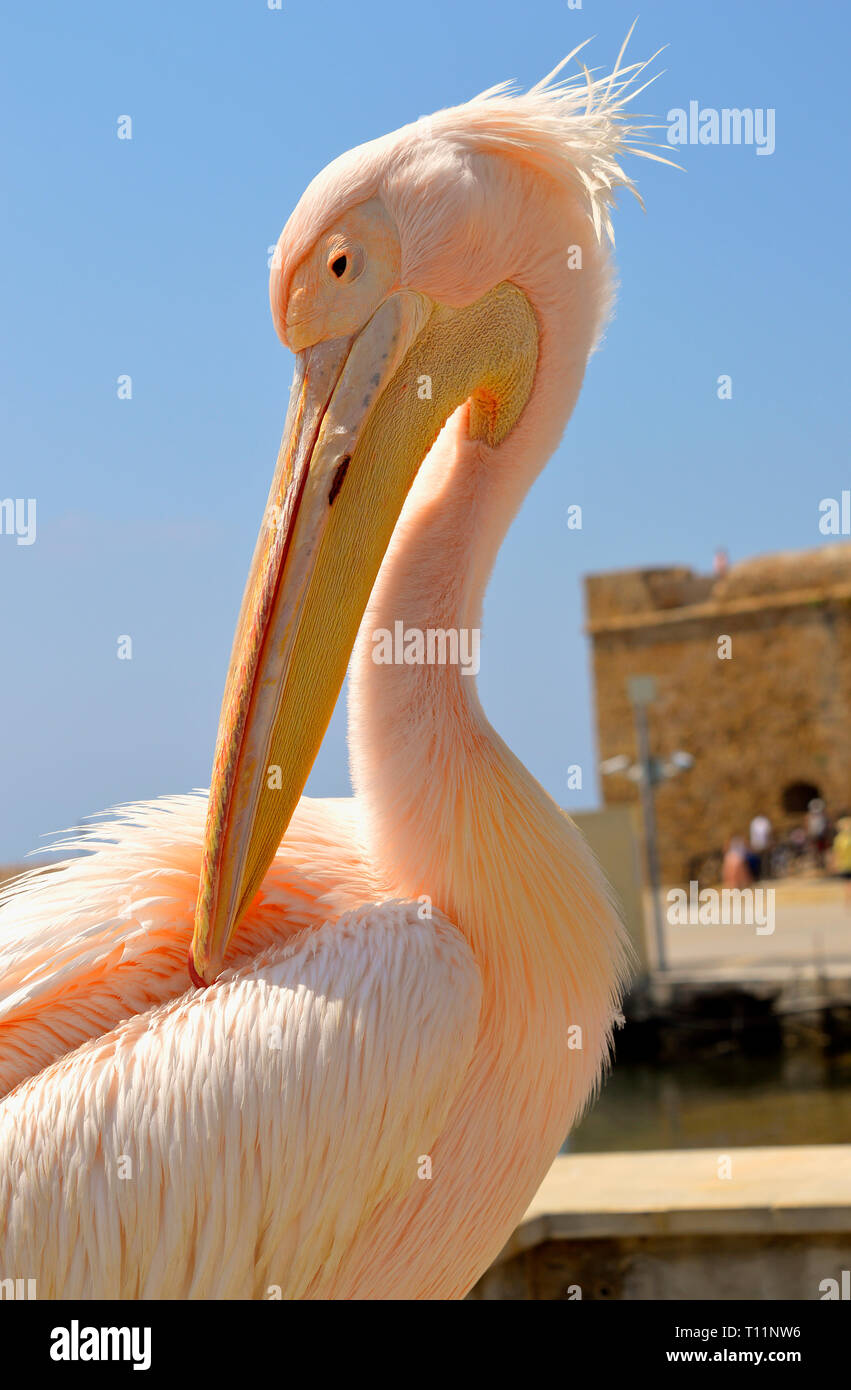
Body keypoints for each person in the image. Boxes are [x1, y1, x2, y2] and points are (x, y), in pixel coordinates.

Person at [831, 817, 851, 909]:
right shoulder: (840, 838)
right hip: (846, 864)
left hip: (844, 864)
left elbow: (836, 853)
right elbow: (836, 853)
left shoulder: (839, 838)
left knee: (847, 884)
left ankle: (848, 902)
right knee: (848, 884)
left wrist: (835, 863)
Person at [806, 798, 829, 870]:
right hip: (815, 835)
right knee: (815, 850)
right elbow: (809, 827)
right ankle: (818, 864)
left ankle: (822, 863)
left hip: (821, 836)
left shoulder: (823, 816)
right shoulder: (810, 817)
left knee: (822, 851)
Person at [749, 813, 772, 879]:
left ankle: (765, 875)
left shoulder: (756, 822)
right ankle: (762, 875)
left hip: (761, 845)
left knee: (765, 861)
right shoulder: (757, 822)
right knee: (761, 861)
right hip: (759, 845)